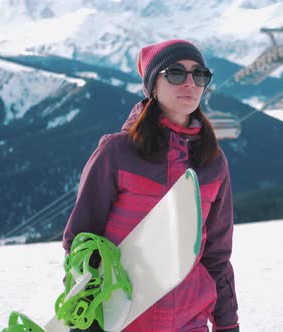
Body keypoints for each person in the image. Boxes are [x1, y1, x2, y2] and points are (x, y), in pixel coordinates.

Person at [62, 39, 240, 332]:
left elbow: (217, 258)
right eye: (175, 74)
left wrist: (227, 322)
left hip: (189, 321)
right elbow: (81, 241)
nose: (190, 84)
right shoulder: (117, 153)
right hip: (122, 319)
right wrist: (87, 316)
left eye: (200, 75)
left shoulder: (212, 161)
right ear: (152, 87)